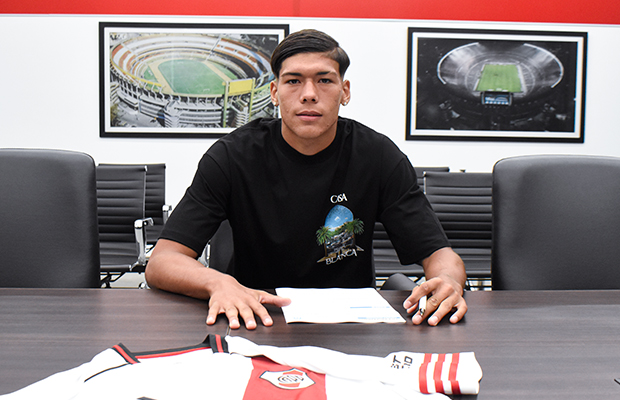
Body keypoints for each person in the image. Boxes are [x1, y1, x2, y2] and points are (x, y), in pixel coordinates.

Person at [145, 29, 468, 330]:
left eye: (324, 80)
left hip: (350, 327)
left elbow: (440, 255)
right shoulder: (231, 157)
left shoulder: (379, 156)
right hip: (256, 318)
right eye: (293, 81)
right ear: (274, 92)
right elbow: (162, 261)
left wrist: (448, 282)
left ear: (345, 91)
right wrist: (217, 282)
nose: (309, 94)